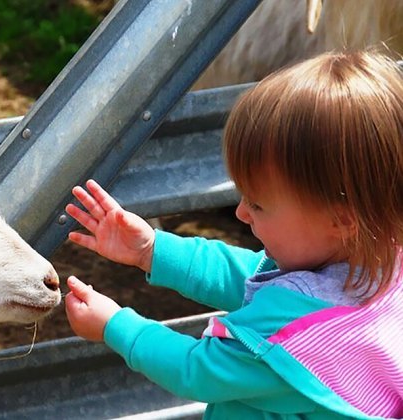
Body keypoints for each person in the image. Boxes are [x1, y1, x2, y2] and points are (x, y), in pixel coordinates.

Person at [63, 50, 403, 419]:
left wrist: (116, 326)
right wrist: (153, 250)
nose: (240, 213)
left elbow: (196, 370)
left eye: (257, 205)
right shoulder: (382, 264)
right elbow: (254, 275)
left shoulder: (286, 342)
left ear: (341, 220)